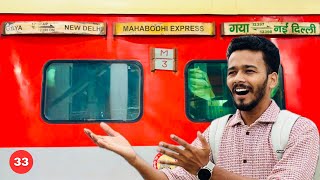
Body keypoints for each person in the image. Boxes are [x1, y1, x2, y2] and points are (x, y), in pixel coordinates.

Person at [84, 36, 319, 180]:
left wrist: (206, 170)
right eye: (232, 72)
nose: (238, 79)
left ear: (272, 80)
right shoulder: (216, 132)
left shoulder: (300, 130)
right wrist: (134, 158)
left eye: (249, 71)